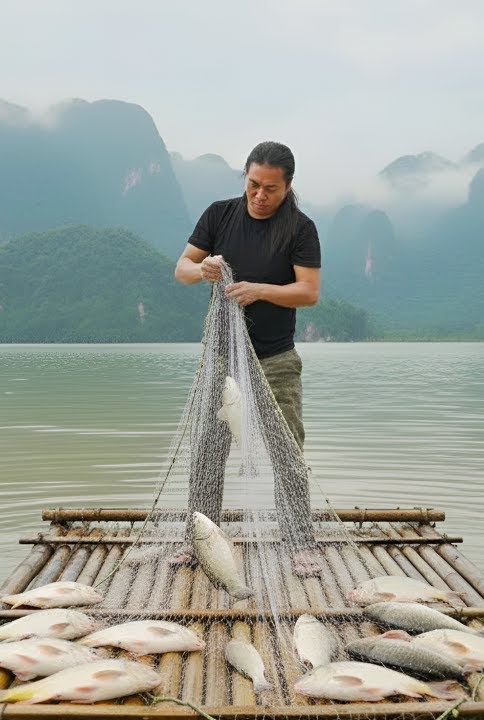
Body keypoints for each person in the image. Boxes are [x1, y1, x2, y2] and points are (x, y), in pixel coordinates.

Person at [173, 140, 322, 577]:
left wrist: (259, 290)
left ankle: (300, 544)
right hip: (222, 361)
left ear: (288, 186)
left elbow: (308, 292)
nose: (259, 195)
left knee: (288, 453)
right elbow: (181, 267)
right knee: (206, 453)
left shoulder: (300, 228)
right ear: (246, 177)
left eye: (271, 189)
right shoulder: (219, 214)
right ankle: (199, 539)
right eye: (253, 184)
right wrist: (202, 270)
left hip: (275, 359)